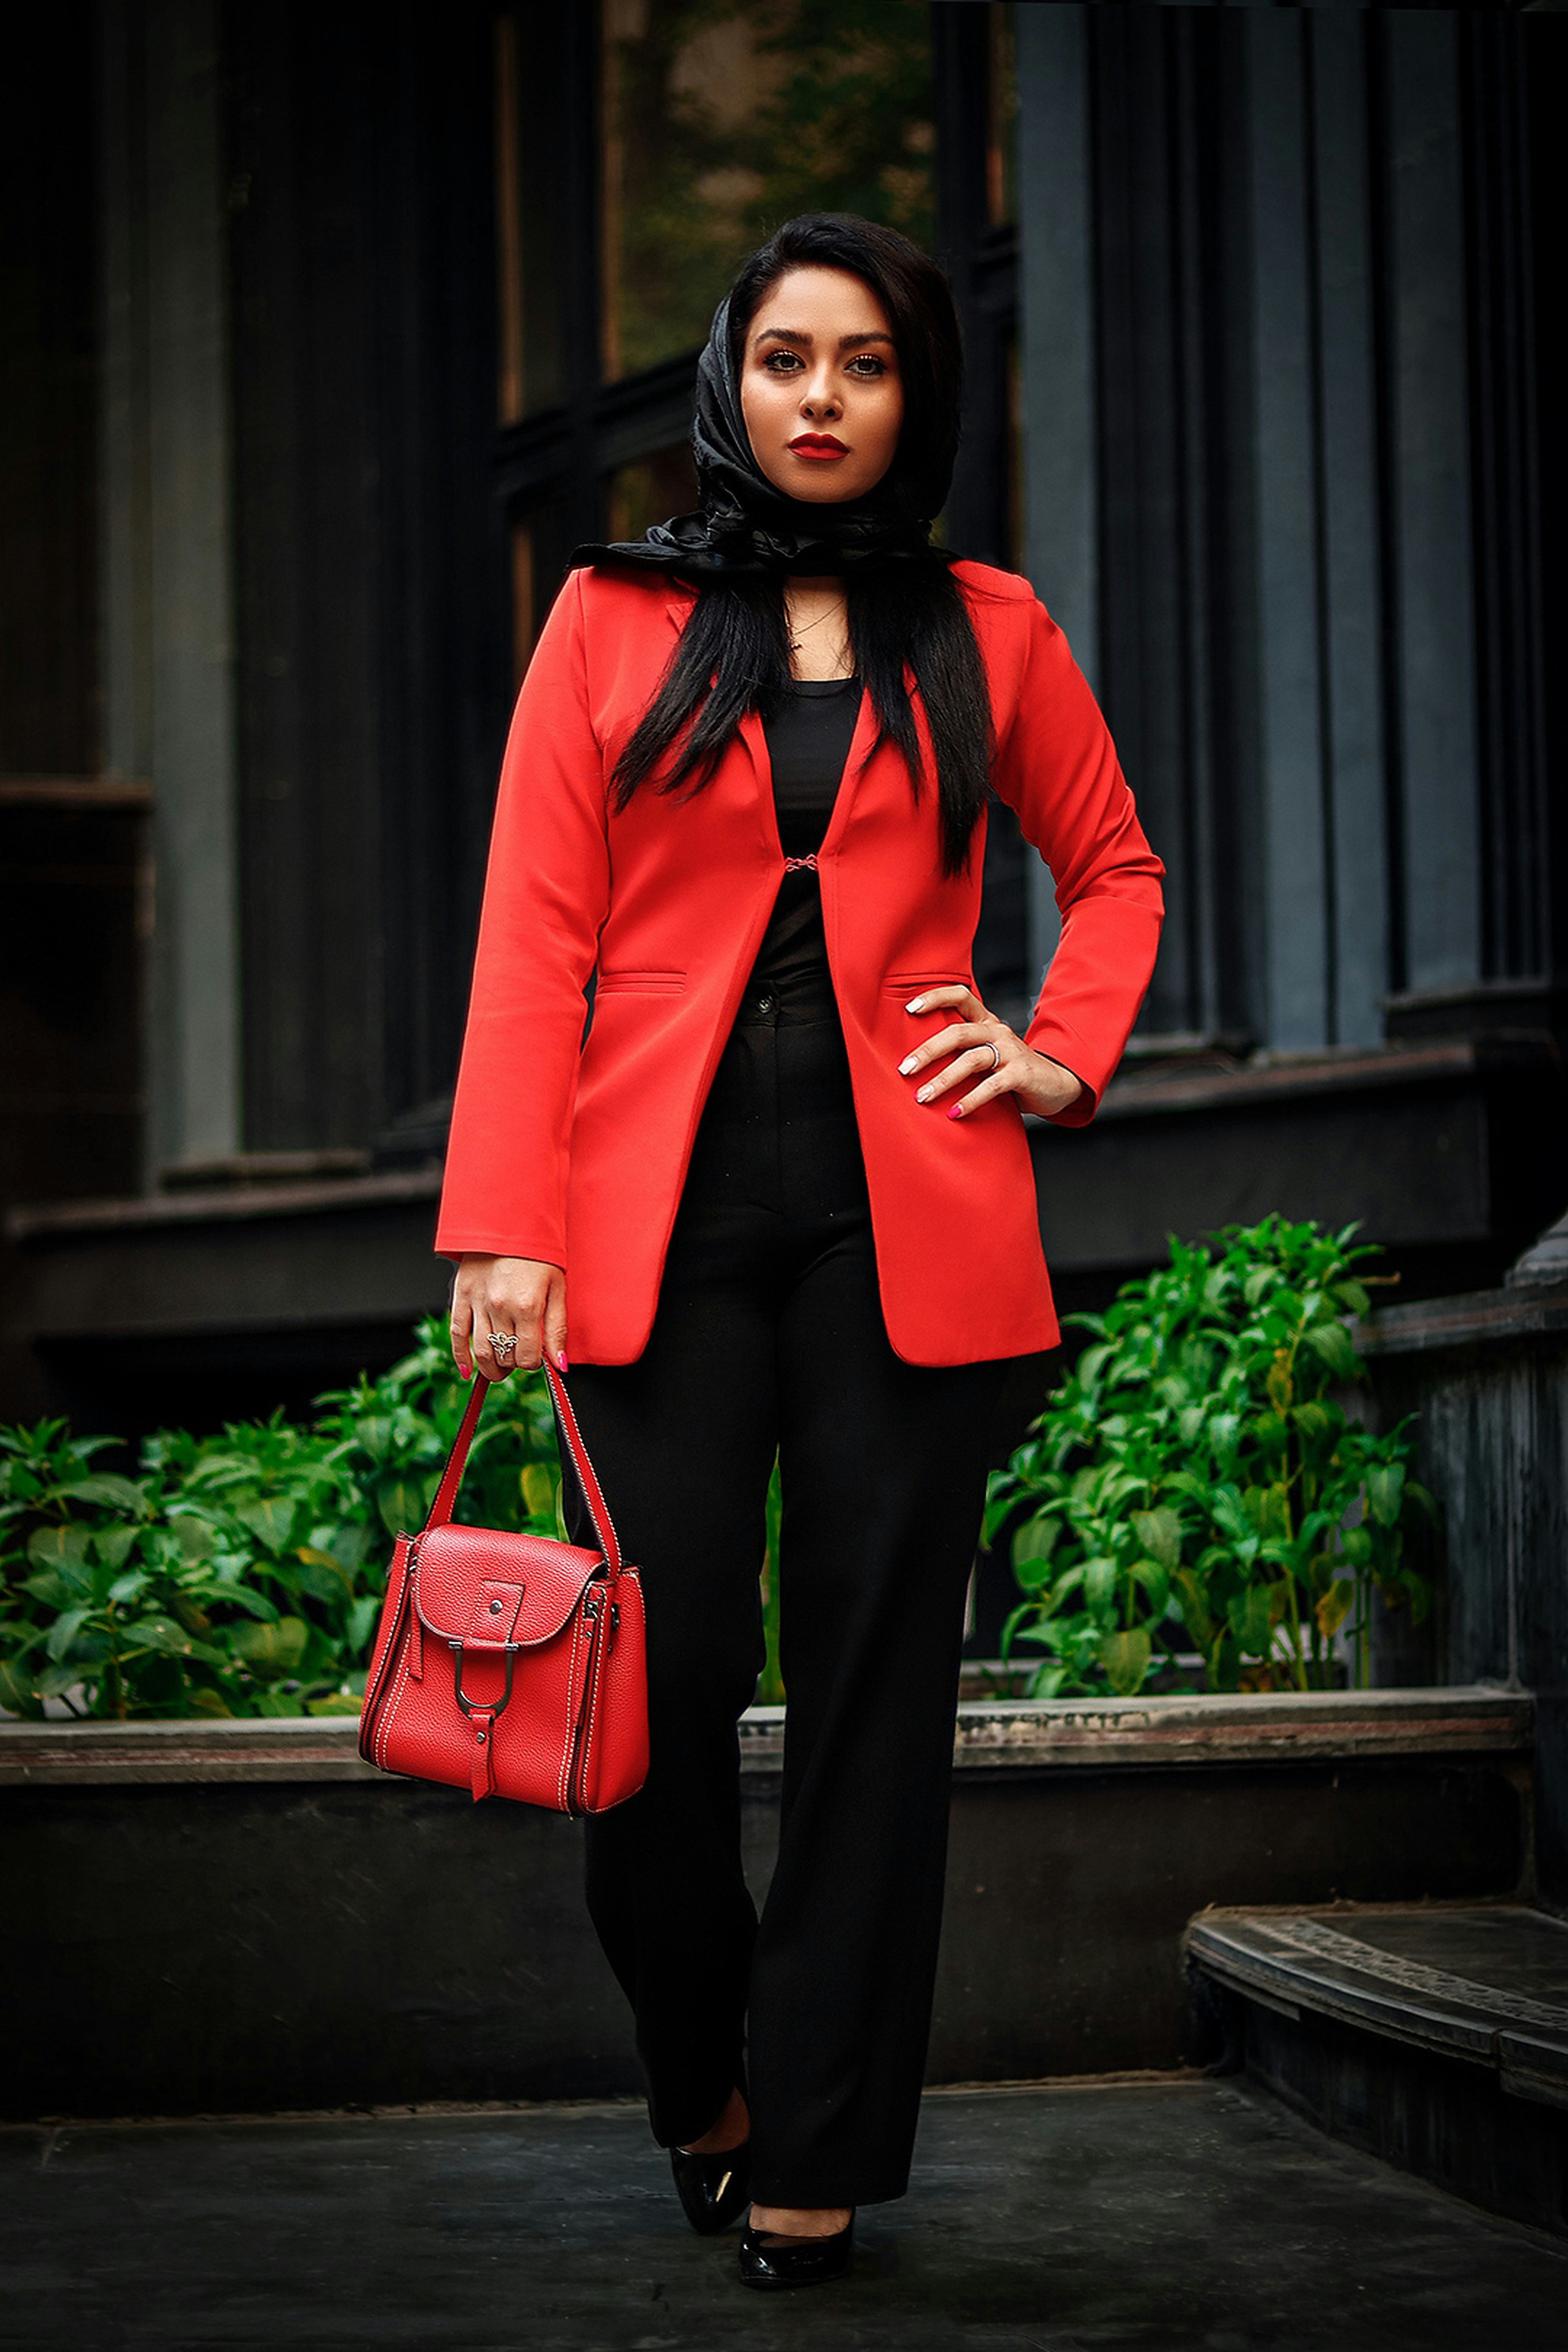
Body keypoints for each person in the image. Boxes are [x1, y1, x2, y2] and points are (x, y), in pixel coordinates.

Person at [437, 213, 1163, 2290]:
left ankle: (817, 2147)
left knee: (872, 1699)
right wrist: (499, 1220)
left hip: (904, 1212)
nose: (820, 398)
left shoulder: (990, 626)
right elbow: (531, 937)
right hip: (640, 1221)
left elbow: (1111, 865)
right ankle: (704, 2076)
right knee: (648, 1694)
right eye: (782, 359)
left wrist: (1056, 1052)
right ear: (729, 380)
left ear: (910, 393)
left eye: (861, 362)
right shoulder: (607, 614)